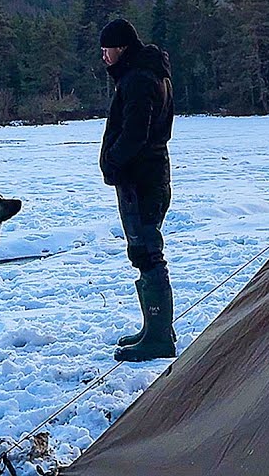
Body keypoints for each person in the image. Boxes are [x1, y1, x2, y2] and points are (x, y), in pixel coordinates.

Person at [98, 18, 176, 362]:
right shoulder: (145, 74)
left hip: (142, 179)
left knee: (147, 251)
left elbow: (135, 133)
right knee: (144, 250)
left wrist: (112, 162)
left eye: (107, 50)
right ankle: (154, 327)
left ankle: (159, 335)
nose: (104, 57)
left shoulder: (140, 80)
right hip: (147, 177)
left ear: (123, 48)